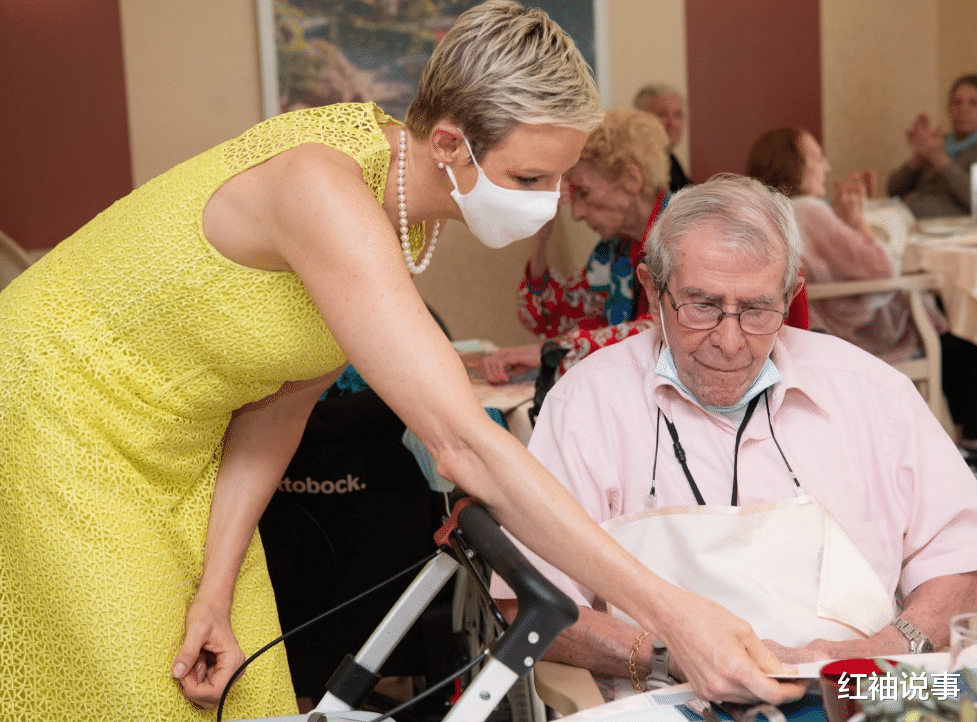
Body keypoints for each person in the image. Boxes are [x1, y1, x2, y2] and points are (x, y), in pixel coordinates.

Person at [0, 3, 805, 720]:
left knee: (237, 675)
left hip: (179, 448)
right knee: (141, 691)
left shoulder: (407, 218)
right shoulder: (324, 188)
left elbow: (276, 408)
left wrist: (216, 585)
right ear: (449, 143)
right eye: (530, 176)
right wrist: (674, 615)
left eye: (562, 177)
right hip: (54, 413)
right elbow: (460, 442)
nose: (552, 201)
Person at [490, 175, 977, 701]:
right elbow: (529, 600)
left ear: (790, 295)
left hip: (859, 692)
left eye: (756, 310)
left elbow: (960, 562)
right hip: (664, 699)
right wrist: (668, 653)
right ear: (652, 290)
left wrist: (873, 654)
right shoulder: (587, 404)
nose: (728, 341)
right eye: (701, 306)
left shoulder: (874, 394)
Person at [746, 127, 977, 467]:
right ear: (793, 165)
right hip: (856, 334)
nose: (826, 167)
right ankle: (966, 443)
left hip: (815, 326)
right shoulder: (809, 210)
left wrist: (843, 221)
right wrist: (858, 224)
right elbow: (884, 270)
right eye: (816, 158)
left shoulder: (769, 211)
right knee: (961, 342)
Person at [481, 108, 673, 385]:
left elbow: (662, 332)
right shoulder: (616, 250)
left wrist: (555, 352)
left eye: (583, 193)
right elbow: (554, 318)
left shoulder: (682, 239)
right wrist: (540, 241)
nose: (577, 213)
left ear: (632, 180)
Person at [886, 73, 977, 218]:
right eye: (957, 102)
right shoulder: (939, 141)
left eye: (973, 103)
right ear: (949, 108)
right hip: (909, 217)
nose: (963, 109)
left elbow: (974, 198)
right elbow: (893, 191)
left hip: (950, 231)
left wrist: (939, 159)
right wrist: (917, 157)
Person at [633, 82, 691, 191]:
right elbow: (658, 206)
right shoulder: (638, 167)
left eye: (678, 115)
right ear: (640, 119)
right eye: (663, 115)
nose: (672, 123)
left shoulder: (670, 160)